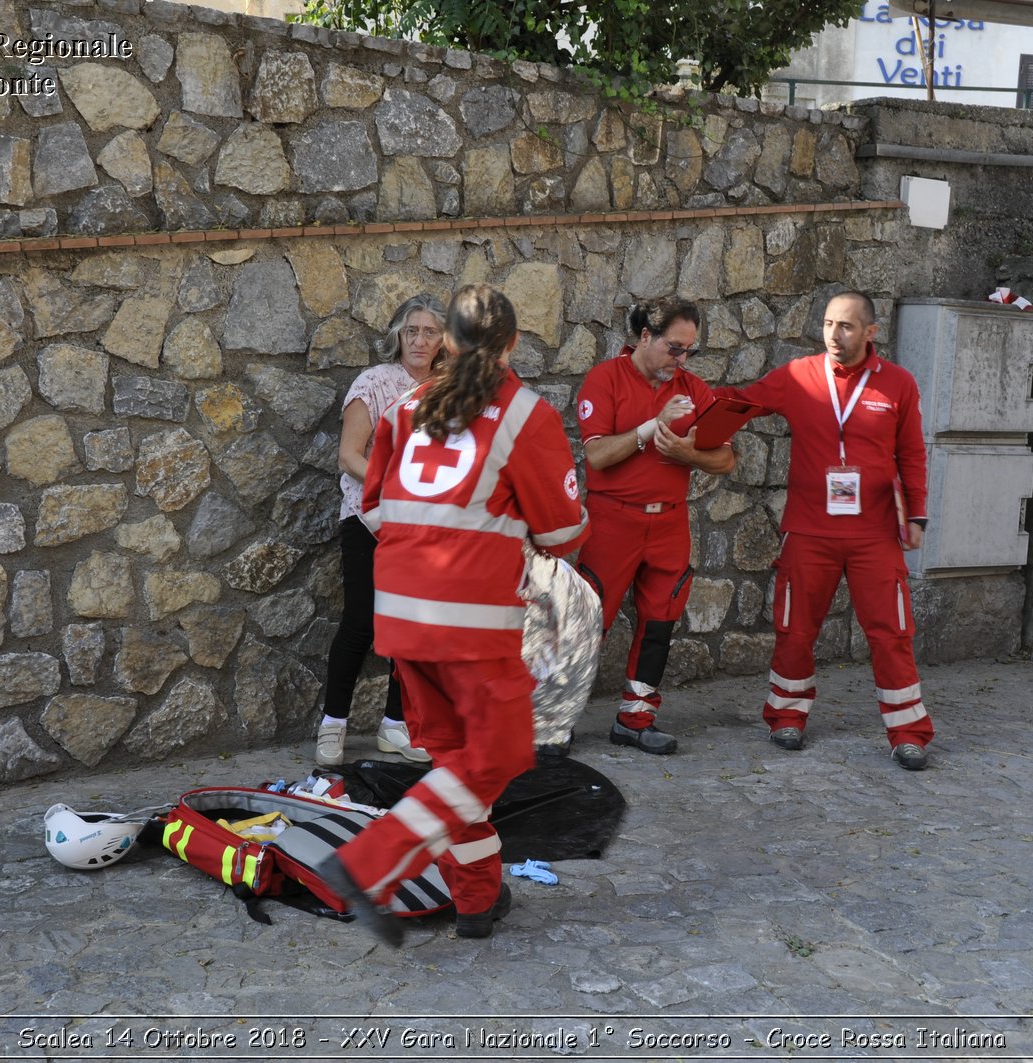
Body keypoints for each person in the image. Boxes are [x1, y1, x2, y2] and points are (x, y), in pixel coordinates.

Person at [317, 284, 590, 945]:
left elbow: (375, 505)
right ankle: (367, 862)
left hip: (403, 621)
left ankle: (476, 901)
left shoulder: (406, 406)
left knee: (456, 767)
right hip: (473, 623)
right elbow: (563, 538)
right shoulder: (526, 415)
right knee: (496, 756)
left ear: (446, 342)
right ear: (513, 345)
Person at [717, 290, 935, 770]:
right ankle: (786, 717)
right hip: (809, 532)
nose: (835, 335)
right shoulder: (799, 376)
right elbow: (741, 402)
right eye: (829, 325)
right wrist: (687, 399)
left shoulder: (898, 384)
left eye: (848, 326)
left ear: (871, 332)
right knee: (795, 629)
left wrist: (915, 516)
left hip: (875, 534)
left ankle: (907, 731)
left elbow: (913, 455)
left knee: (892, 631)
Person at [573, 297, 736, 755]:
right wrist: (651, 429)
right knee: (589, 621)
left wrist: (689, 455)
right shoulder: (605, 378)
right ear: (645, 337)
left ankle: (636, 718)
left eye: (689, 351)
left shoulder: (692, 388)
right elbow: (598, 455)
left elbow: (725, 457)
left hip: (668, 522)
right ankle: (553, 720)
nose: (681, 359)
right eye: (675, 348)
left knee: (660, 621)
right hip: (613, 519)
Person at [312, 294, 444, 768]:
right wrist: (397, 493)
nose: (420, 340)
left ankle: (396, 726)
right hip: (371, 519)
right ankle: (333, 724)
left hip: (425, 527)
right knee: (361, 622)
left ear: (442, 339)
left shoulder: (449, 390)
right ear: (398, 335)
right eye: (412, 331)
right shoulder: (375, 382)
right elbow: (349, 456)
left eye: (430, 332)